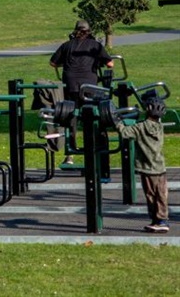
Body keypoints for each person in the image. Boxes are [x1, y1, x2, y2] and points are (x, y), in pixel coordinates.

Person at [49, 19, 113, 164]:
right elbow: (110, 63)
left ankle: (70, 153)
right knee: (92, 117)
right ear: (89, 31)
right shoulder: (95, 46)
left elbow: (52, 63)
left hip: (71, 85)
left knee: (71, 116)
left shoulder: (67, 46)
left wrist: (64, 63)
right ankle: (94, 149)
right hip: (90, 86)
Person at [116, 98, 169, 232]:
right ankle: (160, 219)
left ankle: (159, 220)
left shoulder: (139, 127)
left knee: (151, 194)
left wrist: (117, 121)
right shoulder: (160, 127)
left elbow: (124, 132)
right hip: (160, 167)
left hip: (147, 167)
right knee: (161, 194)